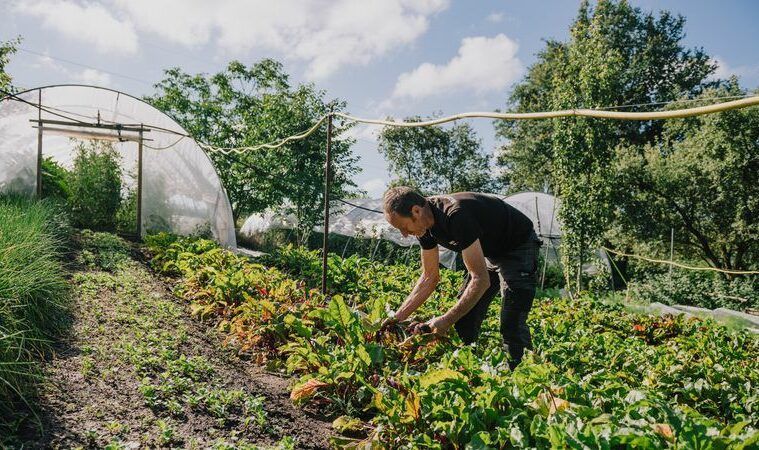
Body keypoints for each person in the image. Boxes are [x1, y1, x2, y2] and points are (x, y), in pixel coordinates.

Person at [381, 186, 541, 369]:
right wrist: (397, 318)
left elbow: (481, 280)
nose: (404, 234)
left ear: (416, 211)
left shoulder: (455, 215)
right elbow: (429, 277)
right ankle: (467, 367)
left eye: (403, 227)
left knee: (512, 319)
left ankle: (523, 374)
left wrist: (445, 320)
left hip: (517, 244)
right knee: (466, 315)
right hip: (490, 251)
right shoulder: (423, 227)